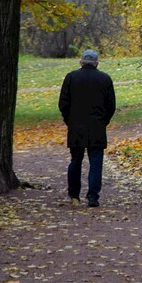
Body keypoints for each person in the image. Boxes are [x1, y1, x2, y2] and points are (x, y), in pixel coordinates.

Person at [58, 50, 116, 208]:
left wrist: (69, 120)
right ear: (97, 63)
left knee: (75, 161)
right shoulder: (105, 79)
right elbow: (111, 105)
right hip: (97, 126)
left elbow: (63, 103)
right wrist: (103, 121)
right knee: (96, 162)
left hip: (76, 126)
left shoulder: (71, 77)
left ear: (81, 62)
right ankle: (93, 196)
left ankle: (74, 195)